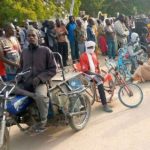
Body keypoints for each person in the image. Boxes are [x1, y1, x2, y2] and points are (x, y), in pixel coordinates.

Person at [19, 28, 57, 132]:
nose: (31, 37)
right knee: (8, 91)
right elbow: (21, 68)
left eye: (33, 35)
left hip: (41, 82)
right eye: (29, 36)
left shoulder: (45, 50)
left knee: (40, 96)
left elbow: (53, 69)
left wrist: (40, 78)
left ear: (38, 37)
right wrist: (18, 77)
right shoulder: (24, 52)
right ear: (26, 38)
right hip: (26, 82)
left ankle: (43, 121)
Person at [79, 41, 113, 112]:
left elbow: (97, 65)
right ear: (86, 48)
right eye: (89, 47)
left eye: (92, 47)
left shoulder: (94, 54)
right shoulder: (83, 56)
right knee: (100, 83)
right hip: (88, 75)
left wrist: (100, 73)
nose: (91, 49)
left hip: (96, 73)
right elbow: (85, 71)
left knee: (109, 75)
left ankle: (111, 91)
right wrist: (97, 75)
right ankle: (105, 105)